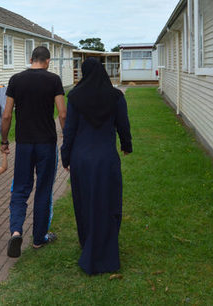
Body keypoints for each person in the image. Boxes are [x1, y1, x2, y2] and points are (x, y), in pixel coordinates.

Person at [60, 58, 132, 275]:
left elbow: (69, 130)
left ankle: (87, 242)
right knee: (109, 202)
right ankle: (106, 248)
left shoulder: (74, 97)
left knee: (85, 202)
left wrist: (65, 157)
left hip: (81, 158)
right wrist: (126, 146)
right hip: (106, 158)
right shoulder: (116, 97)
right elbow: (123, 124)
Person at [1, 46, 66, 257]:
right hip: (46, 143)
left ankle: (17, 231)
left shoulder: (15, 80)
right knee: (44, 190)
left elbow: (7, 115)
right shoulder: (54, 80)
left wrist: (4, 141)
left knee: (20, 188)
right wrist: (68, 138)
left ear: (31, 59)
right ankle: (39, 239)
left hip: (24, 144)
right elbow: (62, 113)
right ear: (47, 61)